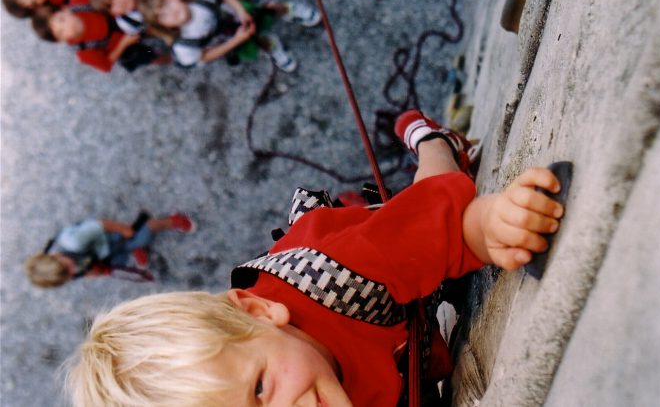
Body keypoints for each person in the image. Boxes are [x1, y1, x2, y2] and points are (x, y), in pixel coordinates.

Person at [65, 110, 565, 406]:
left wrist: (491, 225)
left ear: (260, 315)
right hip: (390, 353)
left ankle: (430, 138)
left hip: (367, 266)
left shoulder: (346, 270)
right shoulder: (293, 378)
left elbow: (451, 229)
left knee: (434, 191)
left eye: (260, 389)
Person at [136, 0, 321, 71]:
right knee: (255, 41)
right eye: (164, 16)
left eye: (167, 4)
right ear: (164, 27)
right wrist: (235, 41)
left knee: (266, 10)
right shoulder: (182, 45)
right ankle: (271, 46)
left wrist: (240, 11)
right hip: (228, 38)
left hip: (234, 12)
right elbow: (204, 56)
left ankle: (288, 9)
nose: (172, 12)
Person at [25, 212, 195, 287]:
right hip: (99, 255)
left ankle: (170, 220)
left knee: (140, 236)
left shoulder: (74, 241)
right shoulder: (63, 271)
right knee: (120, 261)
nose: (72, 271)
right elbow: (76, 271)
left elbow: (100, 224)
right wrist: (95, 272)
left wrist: (124, 230)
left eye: (67, 267)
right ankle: (133, 249)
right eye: (68, 274)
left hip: (105, 238)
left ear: (55, 256)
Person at [30, 0, 141, 72]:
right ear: (61, 40)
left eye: (62, 19)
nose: (68, 26)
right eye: (61, 32)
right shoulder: (84, 52)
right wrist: (124, 43)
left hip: (121, 14)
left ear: (65, 9)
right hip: (125, 42)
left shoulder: (80, 1)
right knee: (140, 54)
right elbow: (106, 65)